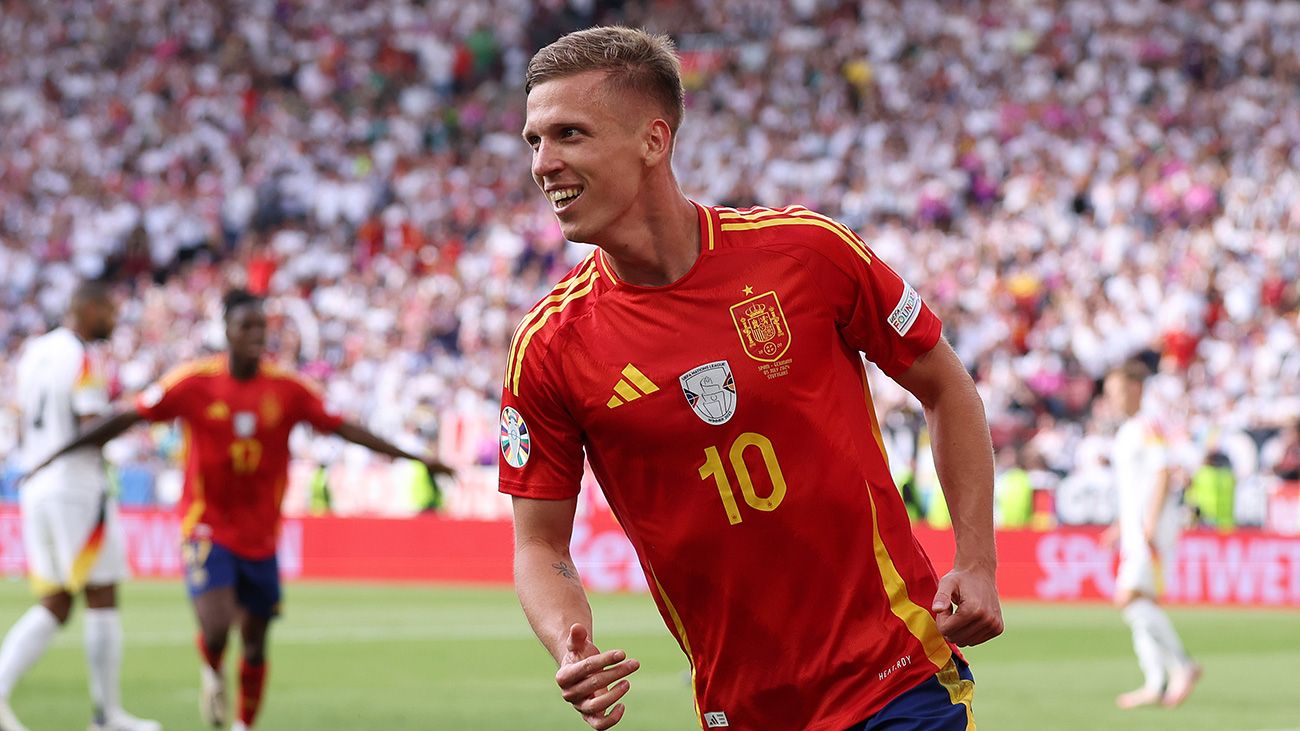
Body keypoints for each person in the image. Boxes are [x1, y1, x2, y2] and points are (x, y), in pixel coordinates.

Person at [499, 26, 1003, 731]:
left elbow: (946, 383)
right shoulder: (549, 346)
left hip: (897, 680)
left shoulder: (805, 252)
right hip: (741, 710)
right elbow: (539, 541)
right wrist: (567, 637)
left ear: (653, 140)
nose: (543, 163)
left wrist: (977, 560)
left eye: (569, 135)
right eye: (533, 141)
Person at [27, 289, 453, 731]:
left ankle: (244, 725)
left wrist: (418, 457)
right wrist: (56, 453)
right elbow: (127, 417)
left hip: (261, 535)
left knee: (255, 643)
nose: (256, 335)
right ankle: (212, 669)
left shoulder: (288, 390)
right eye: (246, 326)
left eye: (261, 327)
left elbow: (347, 429)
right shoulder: (192, 383)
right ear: (225, 330)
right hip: (206, 526)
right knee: (216, 629)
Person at [0, 281, 161, 731]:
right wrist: (134, 411)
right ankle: (106, 715)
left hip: (36, 483)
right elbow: (90, 424)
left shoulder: (34, 353)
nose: (113, 319)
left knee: (56, 601)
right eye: (109, 309)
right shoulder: (81, 356)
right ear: (88, 309)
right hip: (75, 486)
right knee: (102, 591)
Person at [1102, 360, 1200, 709]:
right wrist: (1121, 526)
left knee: (1127, 598)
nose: (1110, 398)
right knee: (1141, 604)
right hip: (1136, 527)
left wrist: (1148, 525)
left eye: (1115, 391)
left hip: (1150, 528)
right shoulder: (1130, 429)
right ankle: (1156, 681)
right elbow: (1135, 486)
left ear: (1135, 388)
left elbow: (1162, 472)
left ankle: (1183, 665)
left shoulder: (1147, 425)